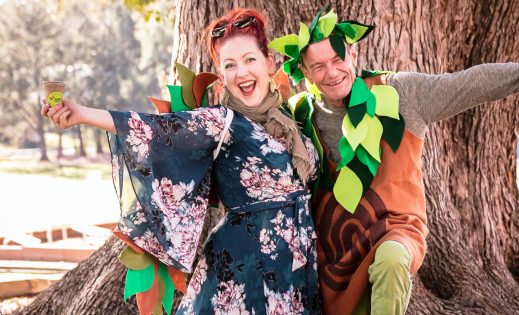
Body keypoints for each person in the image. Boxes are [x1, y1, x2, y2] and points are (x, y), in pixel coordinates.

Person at [268, 5, 519, 315]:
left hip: (393, 229)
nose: (331, 72)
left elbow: (469, 83)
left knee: (392, 261)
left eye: (338, 59)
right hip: (332, 244)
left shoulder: (400, 93)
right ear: (305, 72)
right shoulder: (298, 113)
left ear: (353, 55)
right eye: (318, 66)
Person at [42, 8, 321, 315]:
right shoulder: (221, 122)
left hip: (294, 271)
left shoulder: (290, 123)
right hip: (244, 273)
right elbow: (151, 129)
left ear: (269, 62)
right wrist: (82, 113)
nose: (241, 72)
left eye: (249, 59)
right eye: (230, 65)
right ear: (222, 75)